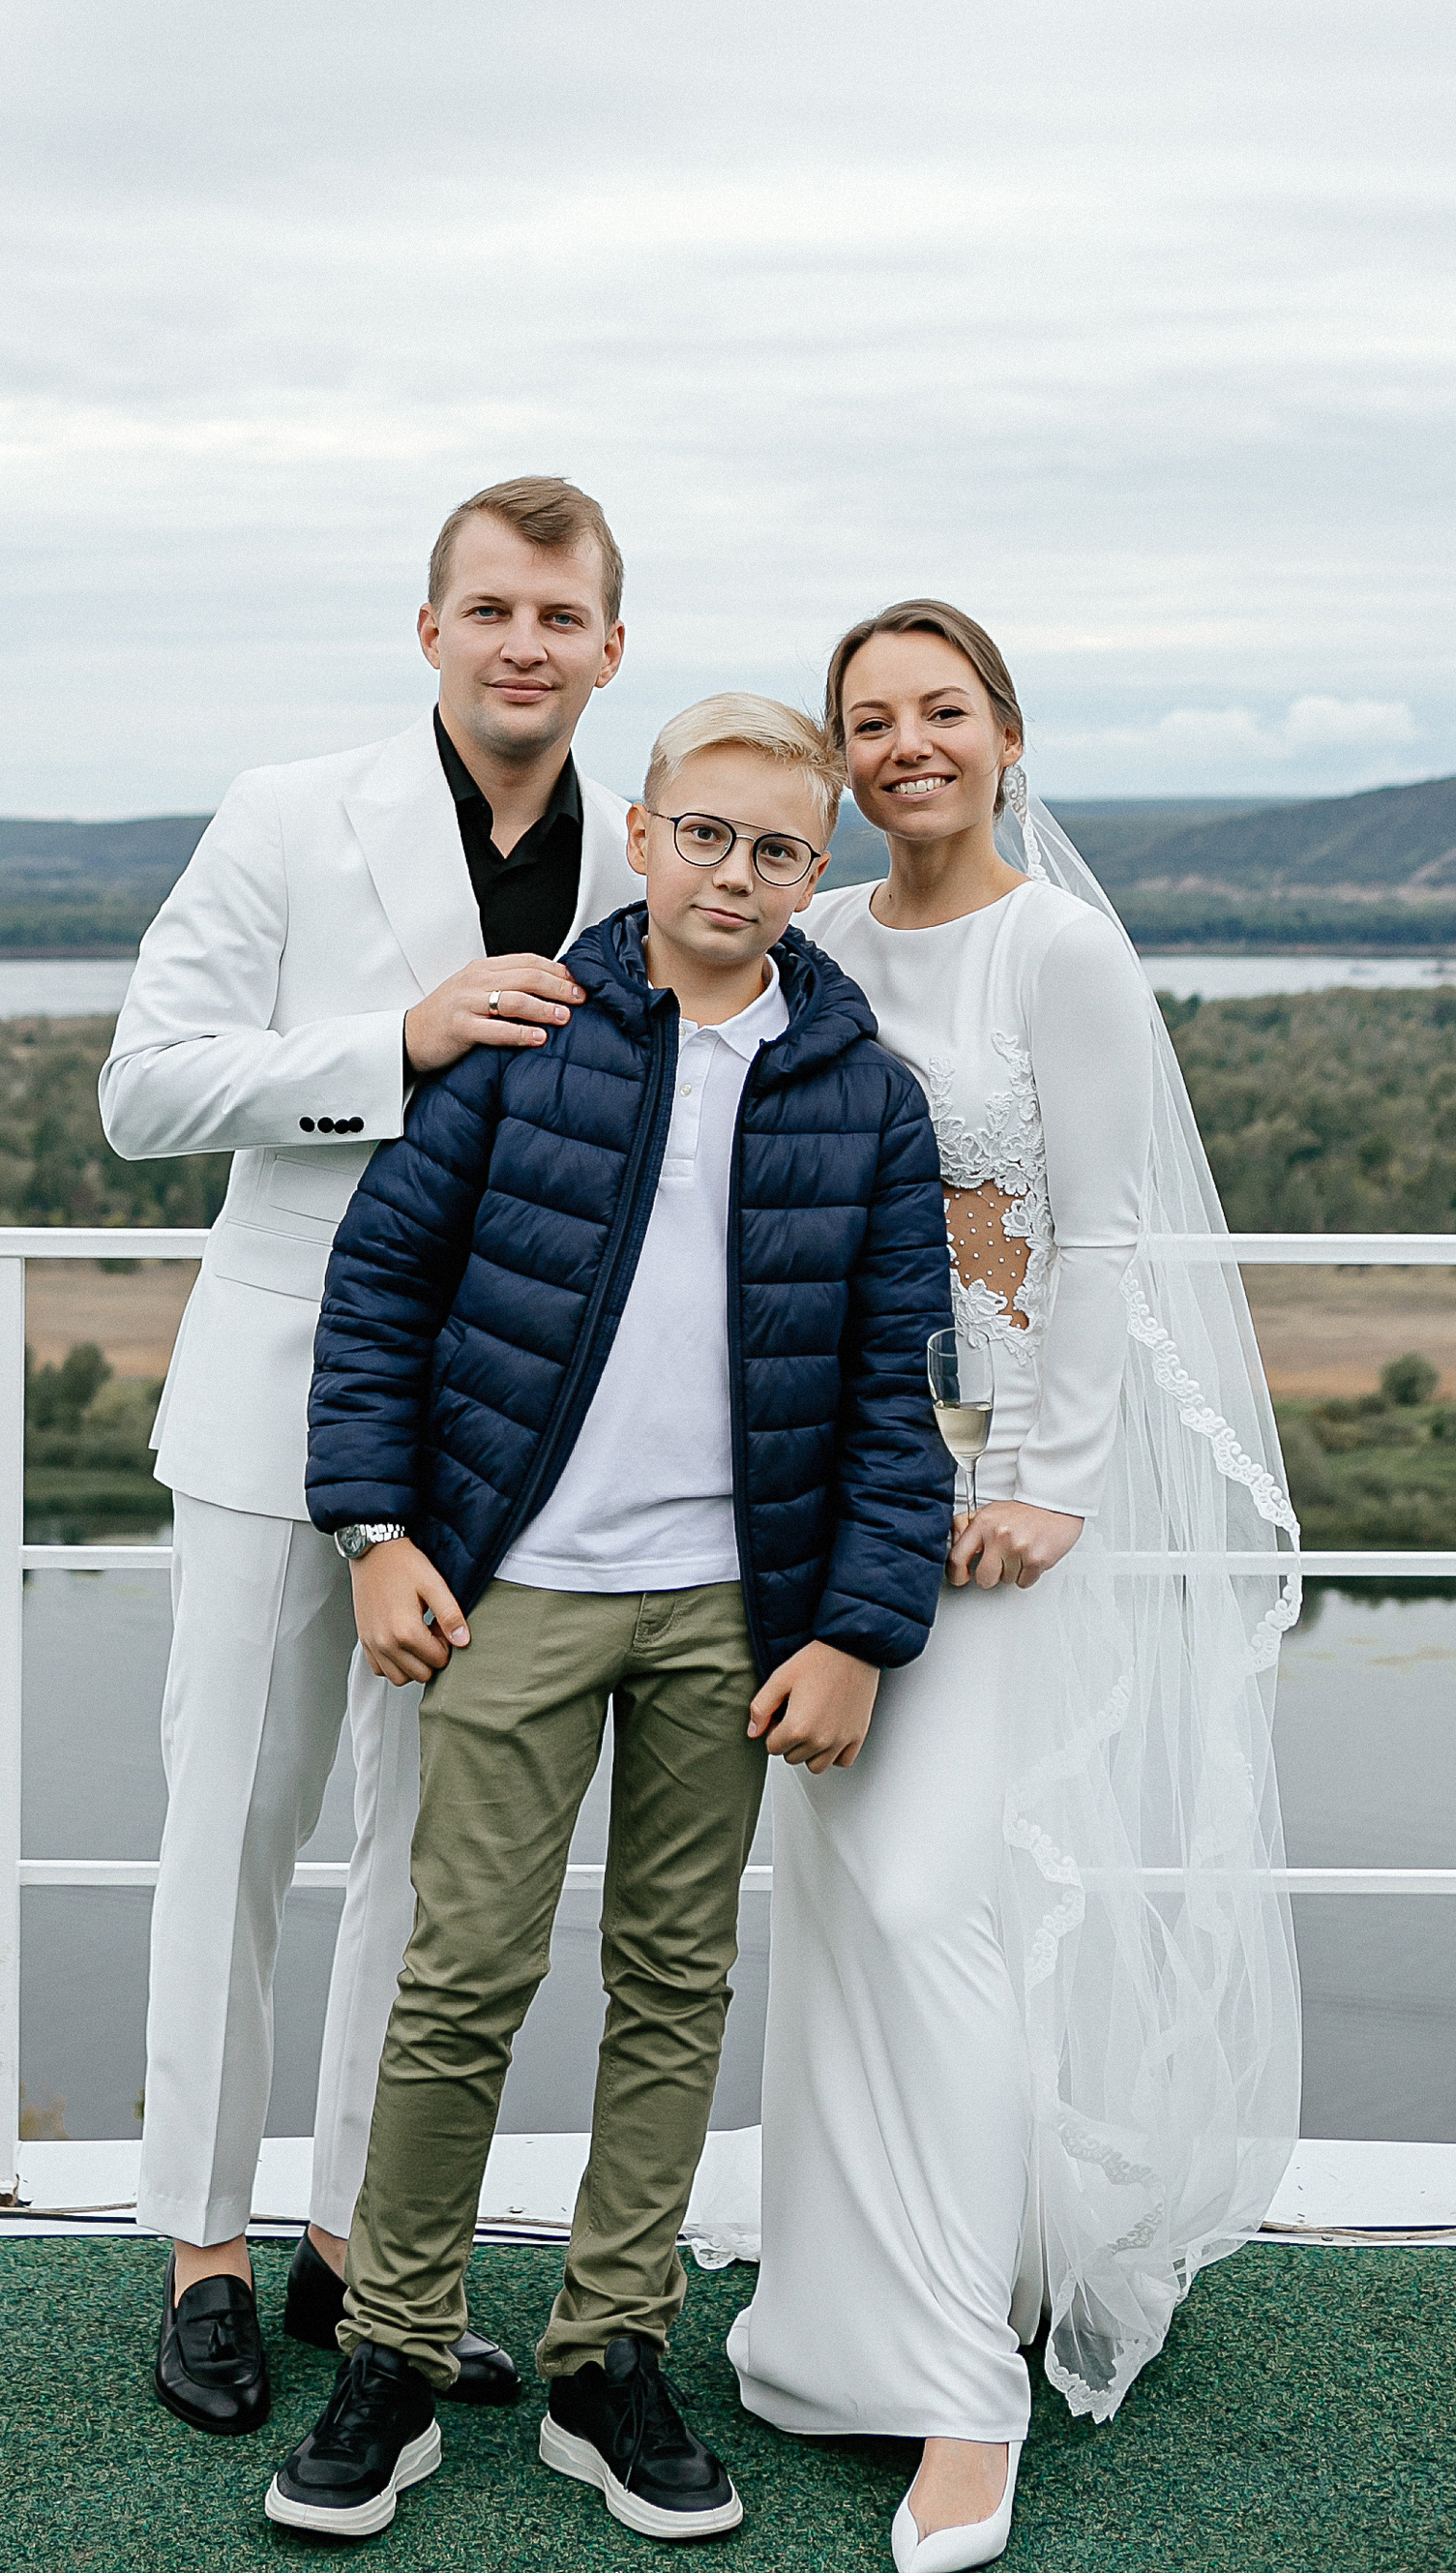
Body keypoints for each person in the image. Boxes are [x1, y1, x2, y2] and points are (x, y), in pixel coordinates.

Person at [268, 695, 953, 2545]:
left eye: (781, 848)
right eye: (707, 835)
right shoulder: (525, 1042)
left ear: (826, 868)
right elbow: (380, 1290)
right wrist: (375, 1529)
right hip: (519, 1593)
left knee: (673, 1985)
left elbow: (897, 1388)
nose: (738, 875)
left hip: (739, 1612)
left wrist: (859, 1629)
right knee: (463, 1975)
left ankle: (607, 2358)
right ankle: (396, 2356)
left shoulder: (864, 1093)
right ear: (643, 834)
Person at [725, 601, 1302, 2573]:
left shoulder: (1055, 948)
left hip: (988, 1510)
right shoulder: (817, 943)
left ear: (1002, 733)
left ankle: (966, 2387)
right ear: (835, 757)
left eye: (936, 713)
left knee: (927, 1899)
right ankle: (831, 2328)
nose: (903, 748)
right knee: (831, 1902)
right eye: (866, 723)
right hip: (817, 1494)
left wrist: (1049, 1483)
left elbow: (1113, 1233)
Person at [98, 474, 639, 2437]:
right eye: (488, 608)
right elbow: (143, 1089)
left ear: (605, 647)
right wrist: (385, 1041)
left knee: (424, 1874)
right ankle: (204, 2257)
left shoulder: (636, 856)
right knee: (228, 1837)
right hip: (267, 1420)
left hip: (496, 1445)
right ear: (430, 632)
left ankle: (354, 2252)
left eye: (558, 616)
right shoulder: (282, 814)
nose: (522, 644)